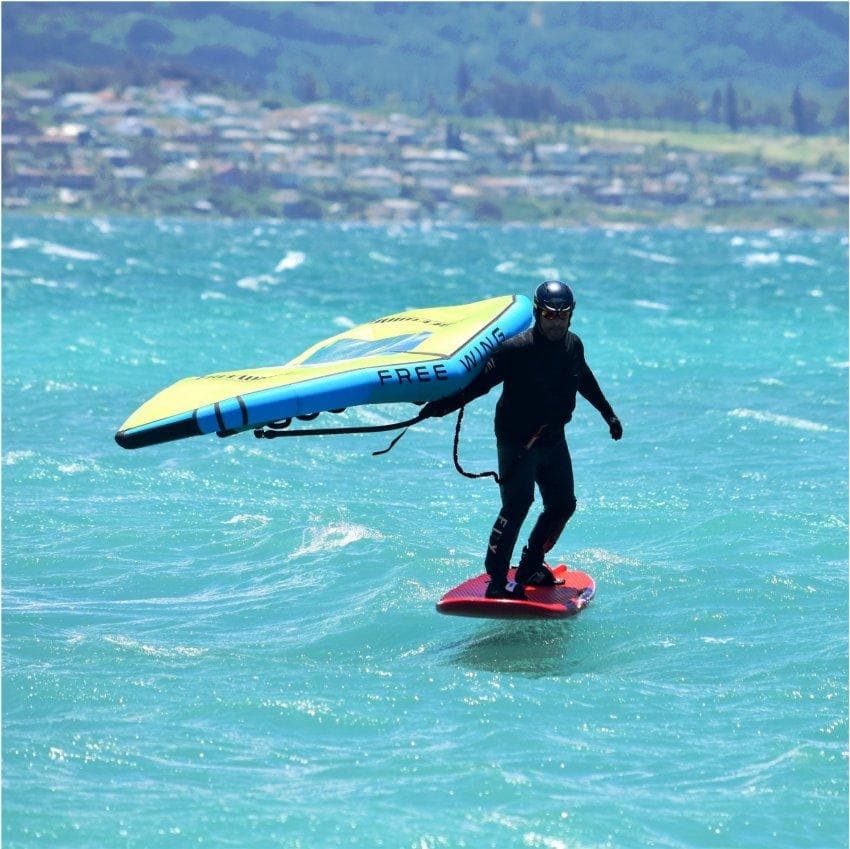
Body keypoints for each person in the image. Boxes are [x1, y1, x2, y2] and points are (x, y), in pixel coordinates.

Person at [421, 281, 622, 600]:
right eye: (548, 315)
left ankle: (530, 565)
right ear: (537, 313)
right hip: (517, 441)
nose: (555, 322)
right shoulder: (517, 349)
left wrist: (608, 415)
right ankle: (497, 579)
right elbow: (479, 384)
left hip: (554, 439)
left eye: (562, 316)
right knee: (518, 504)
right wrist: (440, 407)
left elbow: (584, 378)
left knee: (562, 505)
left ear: (570, 315)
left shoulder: (573, 345)